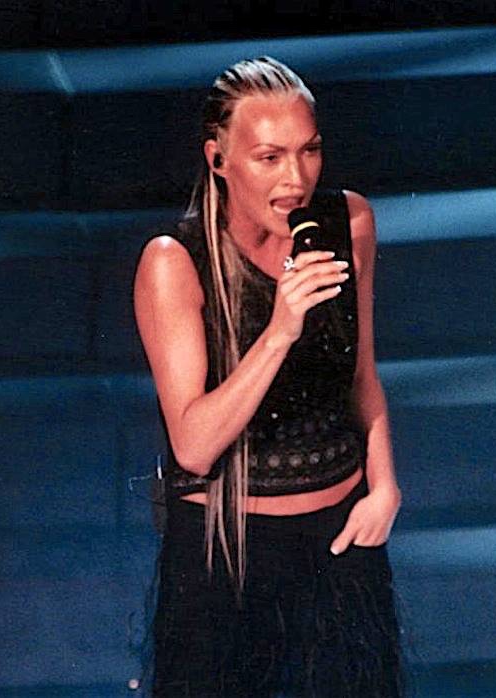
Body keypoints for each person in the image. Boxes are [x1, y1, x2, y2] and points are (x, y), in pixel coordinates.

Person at [132, 56, 404, 697]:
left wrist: (385, 488)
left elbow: (362, 372)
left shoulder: (349, 223)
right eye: (269, 157)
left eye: (309, 151)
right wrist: (280, 329)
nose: (296, 178)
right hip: (227, 555)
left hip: (339, 543)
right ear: (219, 159)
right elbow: (193, 445)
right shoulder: (175, 262)